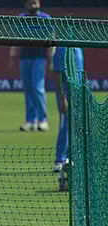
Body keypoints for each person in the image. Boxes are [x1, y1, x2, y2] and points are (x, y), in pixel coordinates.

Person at [9, 0, 54, 132]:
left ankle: (43, 120)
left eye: (35, 3)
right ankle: (30, 121)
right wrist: (12, 57)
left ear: (39, 4)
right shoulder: (20, 19)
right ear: (26, 5)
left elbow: (51, 40)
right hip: (24, 58)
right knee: (28, 89)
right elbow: (15, 39)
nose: (33, 6)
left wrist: (50, 60)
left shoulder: (45, 18)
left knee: (37, 88)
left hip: (39, 58)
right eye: (30, 3)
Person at [53, 45, 83, 173]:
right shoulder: (62, 48)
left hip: (78, 93)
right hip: (67, 93)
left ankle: (72, 158)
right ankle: (60, 160)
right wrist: (62, 98)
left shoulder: (78, 47)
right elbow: (58, 74)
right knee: (65, 125)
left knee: (76, 126)